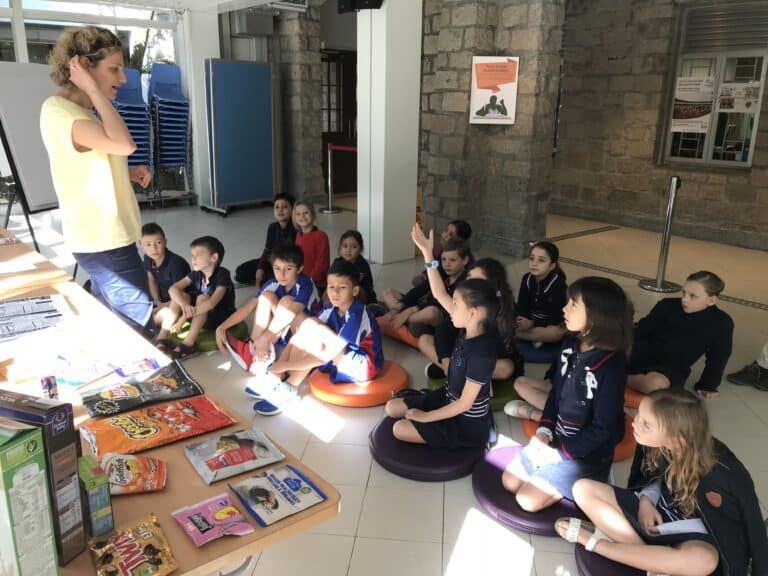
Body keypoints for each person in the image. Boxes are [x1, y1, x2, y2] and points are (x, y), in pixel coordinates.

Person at [555, 389, 768, 576]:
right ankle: (651, 560)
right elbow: (649, 478)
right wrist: (646, 500)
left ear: (677, 438)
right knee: (582, 489)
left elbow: (754, 529)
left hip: (694, 534)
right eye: (639, 415)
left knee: (704, 560)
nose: (635, 423)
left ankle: (596, 543)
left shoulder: (727, 474)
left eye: (646, 424)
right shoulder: (650, 441)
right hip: (654, 514)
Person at [41, 26, 154, 334]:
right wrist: (93, 90)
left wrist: (127, 173)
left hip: (104, 239)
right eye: (114, 69)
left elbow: (87, 164)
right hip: (104, 240)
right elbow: (124, 145)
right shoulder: (64, 113)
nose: (123, 78)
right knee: (138, 326)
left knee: (113, 322)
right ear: (84, 67)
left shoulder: (79, 112)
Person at [501, 276, 633, 512]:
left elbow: (603, 429)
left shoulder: (611, 366)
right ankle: (548, 461)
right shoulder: (571, 343)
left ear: (596, 315)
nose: (565, 309)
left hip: (586, 453)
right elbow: (556, 394)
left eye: (573, 304)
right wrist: (544, 431)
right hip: (558, 435)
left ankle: (591, 478)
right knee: (509, 481)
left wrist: (558, 454)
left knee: (527, 500)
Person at [257, 260, 385, 415]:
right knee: (309, 324)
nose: (335, 292)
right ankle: (278, 377)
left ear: (355, 290)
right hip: (340, 358)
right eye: (331, 287)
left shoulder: (357, 314)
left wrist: (288, 365)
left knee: (315, 333)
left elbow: (328, 354)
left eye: (342, 288)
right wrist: (280, 365)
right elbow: (304, 332)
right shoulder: (332, 308)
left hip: (363, 366)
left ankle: (290, 388)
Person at [384, 276, 499, 448]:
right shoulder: (469, 326)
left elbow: (464, 404)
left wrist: (426, 417)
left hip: (467, 424)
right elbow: (439, 293)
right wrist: (429, 259)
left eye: (455, 304)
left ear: (473, 313)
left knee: (399, 429)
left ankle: (482, 431)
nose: (451, 308)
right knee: (391, 408)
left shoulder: (482, 355)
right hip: (448, 396)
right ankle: (427, 405)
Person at [219, 244, 319, 410]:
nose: (282, 274)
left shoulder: (305, 284)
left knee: (287, 301)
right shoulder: (273, 283)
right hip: (282, 334)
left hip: (303, 339)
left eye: (288, 269)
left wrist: (266, 338)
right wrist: (222, 327)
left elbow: (293, 313)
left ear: (300, 269)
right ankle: (255, 352)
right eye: (277, 268)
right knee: (265, 297)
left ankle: (275, 367)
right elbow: (247, 308)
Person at [416, 248, 522, 383]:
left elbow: (502, 354)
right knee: (424, 340)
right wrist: (445, 359)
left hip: (485, 361)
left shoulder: (501, 310)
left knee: (506, 368)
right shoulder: (466, 302)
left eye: (475, 280)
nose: (468, 282)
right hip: (463, 355)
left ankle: (453, 370)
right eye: (469, 277)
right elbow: (440, 296)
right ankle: (452, 368)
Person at [627, 271, 733, 399]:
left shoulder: (721, 322)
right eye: (684, 293)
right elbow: (642, 330)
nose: (684, 299)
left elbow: (719, 355)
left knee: (655, 385)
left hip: (671, 368)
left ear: (711, 300)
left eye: (693, 296)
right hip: (642, 353)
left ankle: (621, 377)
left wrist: (708, 385)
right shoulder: (667, 305)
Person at [159, 236, 235, 359]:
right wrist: (184, 305)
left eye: (198, 255)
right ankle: (162, 337)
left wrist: (182, 319)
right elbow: (173, 289)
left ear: (214, 257)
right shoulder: (196, 274)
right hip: (199, 315)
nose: (193, 259)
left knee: (202, 298)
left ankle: (188, 344)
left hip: (219, 317)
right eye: (192, 255)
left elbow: (211, 303)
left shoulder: (222, 274)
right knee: (181, 295)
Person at [380, 237, 470, 333]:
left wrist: (411, 310)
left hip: (436, 312)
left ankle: (401, 319)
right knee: (387, 292)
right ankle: (400, 317)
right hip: (420, 305)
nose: (447, 264)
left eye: (452, 260)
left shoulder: (466, 281)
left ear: (465, 260)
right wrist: (400, 305)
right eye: (444, 259)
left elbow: (438, 303)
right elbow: (420, 289)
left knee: (431, 312)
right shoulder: (441, 271)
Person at [515, 241, 568, 364]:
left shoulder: (558, 285)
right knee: (504, 315)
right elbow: (522, 307)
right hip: (531, 322)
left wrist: (532, 323)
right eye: (532, 258)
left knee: (556, 333)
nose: (534, 263)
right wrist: (522, 320)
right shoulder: (527, 278)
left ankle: (514, 334)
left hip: (550, 324)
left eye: (541, 260)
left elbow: (556, 319)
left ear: (552, 266)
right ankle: (528, 335)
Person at [234, 193, 296, 287]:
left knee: (275, 279)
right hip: (271, 262)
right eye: (277, 207)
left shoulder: (296, 229)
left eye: (285, 207)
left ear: (293, 209)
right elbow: (267, 251)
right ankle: (265, 279)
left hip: (285, 266)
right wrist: (260, 268)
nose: (280, 210)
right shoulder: (272, 227)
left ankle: (270, 281)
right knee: (240, 272)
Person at [140, 222, 191, 332]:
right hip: (162, 301)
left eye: (158, 243)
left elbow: (180, 294)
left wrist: (162, 306)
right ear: (141, 246)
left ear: (165, 242)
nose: (154, 249)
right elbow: (151, 279)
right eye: (148, 245)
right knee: (136, 310)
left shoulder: (176, 264)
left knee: (152, 320)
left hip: (179, 302)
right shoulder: (148, 258)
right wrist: (157, 300)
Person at [293, 200, 330, 293]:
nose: (302, 217)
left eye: (305, 213)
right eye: (298, 214)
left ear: (313, 214)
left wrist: (307, 281)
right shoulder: (298, 235)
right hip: (300, 281)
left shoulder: (321, 236)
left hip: (317, 284)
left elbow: (322, 265)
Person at [333, 230, 377, 304]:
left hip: (364, 299)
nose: (348, 250)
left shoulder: (362, 264)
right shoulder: (337, 262)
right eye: (345, 246)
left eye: (354, 247)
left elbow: (352, 282)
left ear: (360, 249)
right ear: (340, 248)